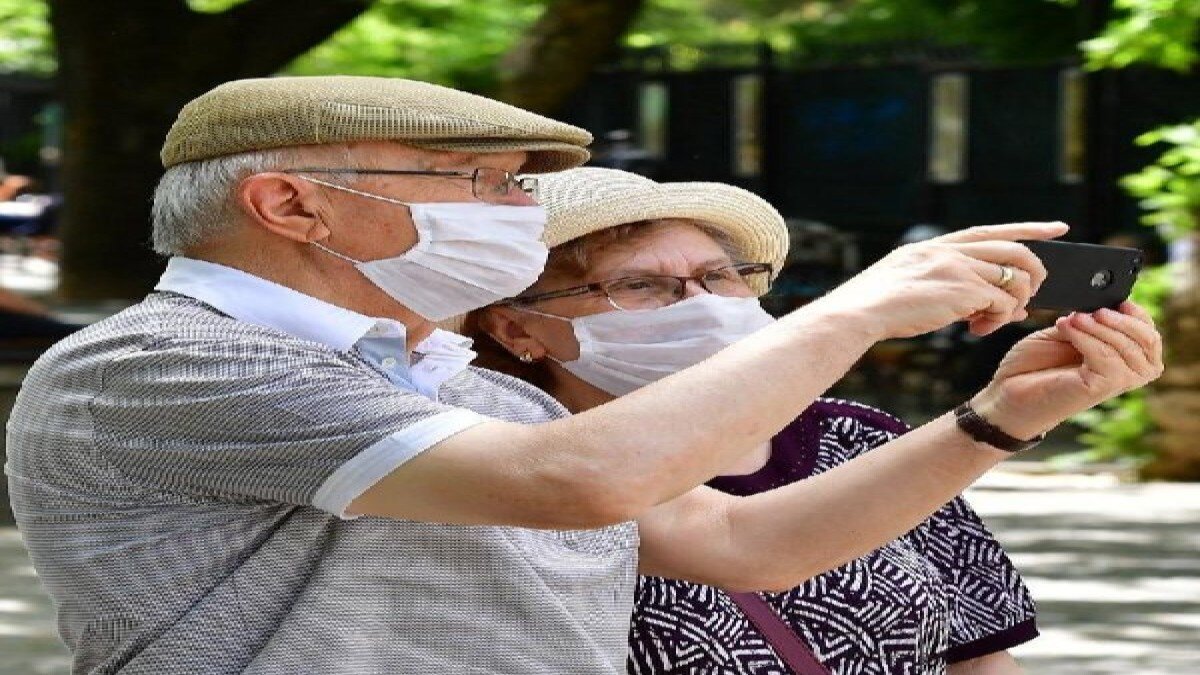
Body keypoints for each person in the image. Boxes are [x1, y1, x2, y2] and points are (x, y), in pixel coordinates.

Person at [5, 76, 1162, 674]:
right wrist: (853, 312)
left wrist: (997, 418)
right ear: (291, 203)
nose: (518, 211)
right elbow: (572, 482)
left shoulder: (465, 387)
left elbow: (743, 544)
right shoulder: (162, 363)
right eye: (481, 182)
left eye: (520, 183)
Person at [464, 168, 1046, 673]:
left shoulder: (857, 435)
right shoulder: (507, 462)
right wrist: (863, 318)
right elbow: (744, 544)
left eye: (719, 276)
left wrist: (1018, 405)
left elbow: (980, 653)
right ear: (514, 328)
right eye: (638, 285)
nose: (702, 304)